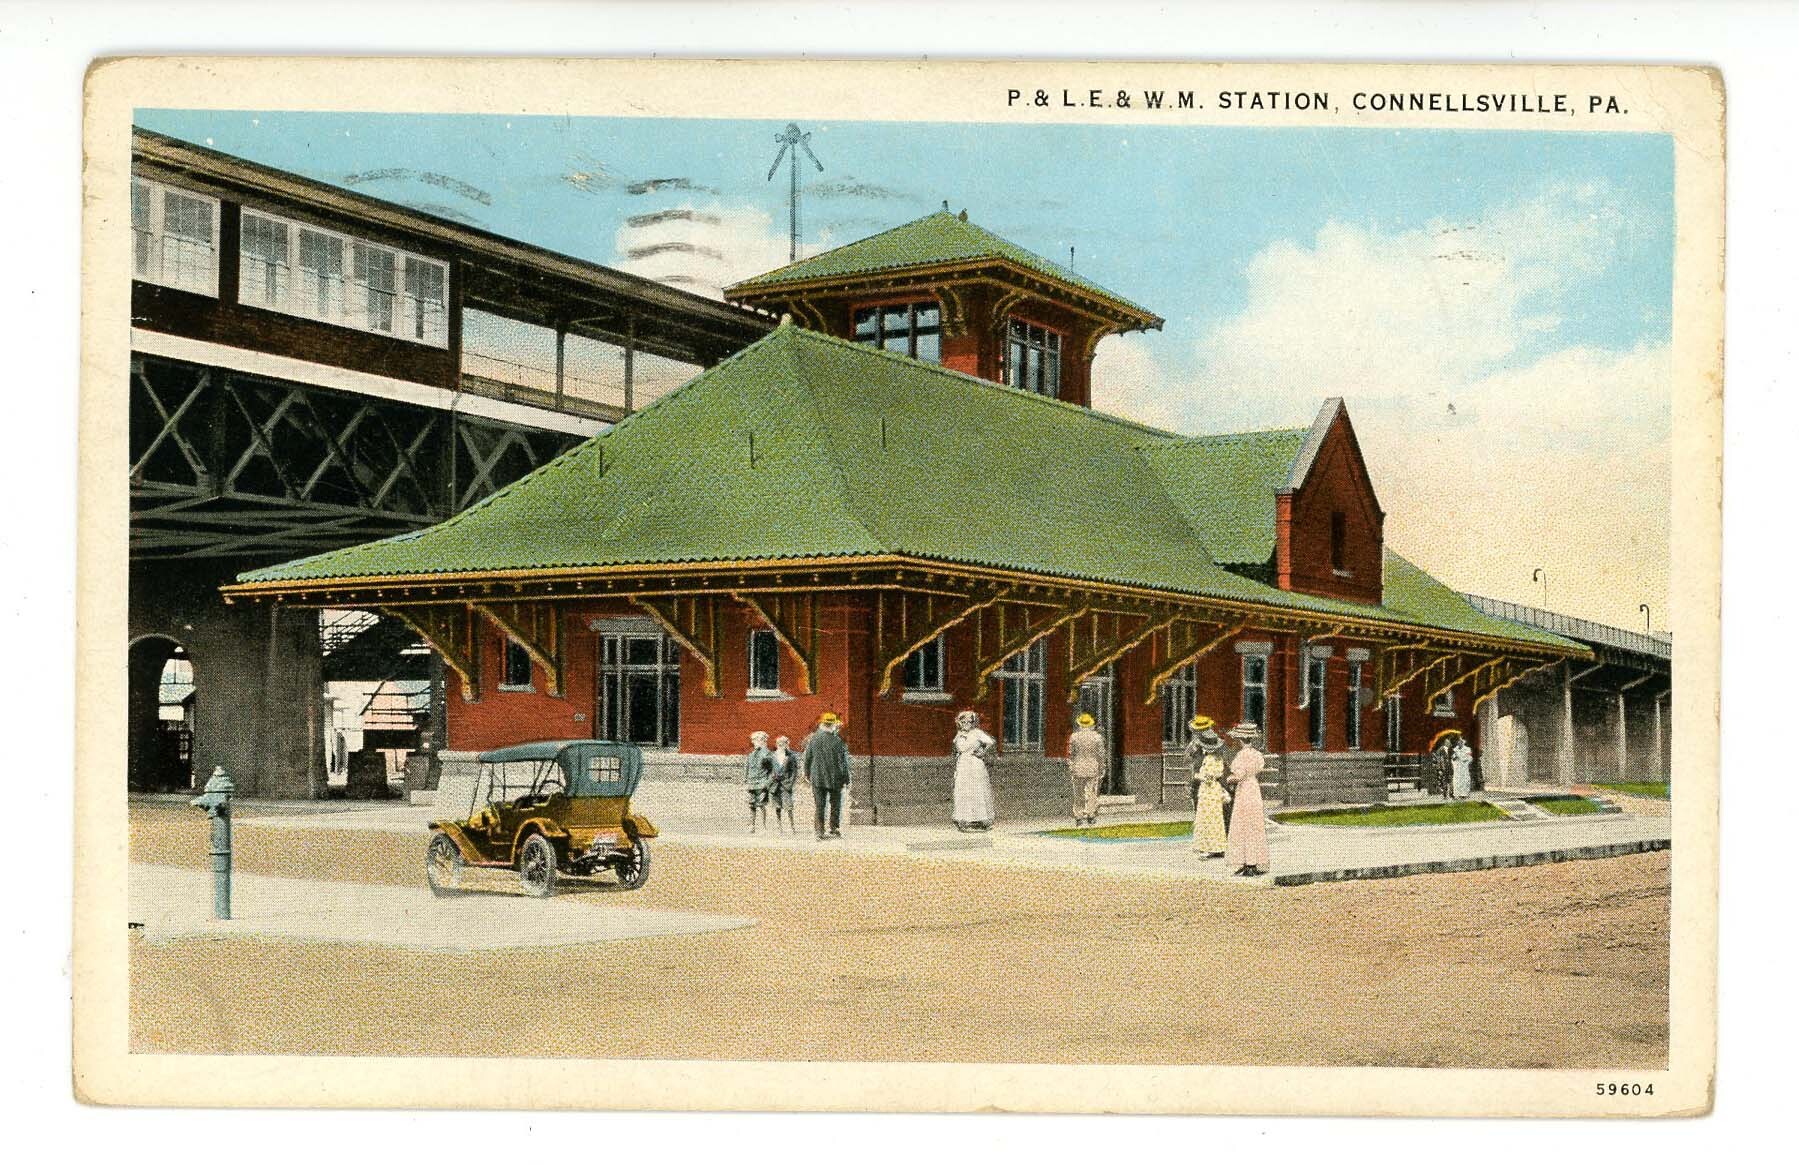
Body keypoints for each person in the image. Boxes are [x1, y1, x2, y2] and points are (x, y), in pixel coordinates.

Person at [1223, 722, 1270, 877]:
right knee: (1253, 824)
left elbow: (1239, 775)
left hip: (1244, 789)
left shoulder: (1242, 755)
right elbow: (1256, 769)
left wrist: (1230, 779)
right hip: (1253, 788)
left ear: (1241, 740)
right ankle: (1251, 861)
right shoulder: (1257, 754)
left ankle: (1248, 862)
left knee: (1244, 823)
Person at [802, 712, 851, 841]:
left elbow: (807, 759)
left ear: (822, 724)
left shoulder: (813, 739)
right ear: (832, 725)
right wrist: (847, 779)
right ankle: (834, 829)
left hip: (817, 778)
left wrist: (807, 774)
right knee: (835, 804)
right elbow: (843, 763)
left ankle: (819, 831)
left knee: (820, 805)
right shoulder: (837, 741)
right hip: (835, 778)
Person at [1185, 713, 1233, 836]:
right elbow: (1188, 762)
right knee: (1202, 810)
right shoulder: (1194, 746)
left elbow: (1226, 763)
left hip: (1217, 780)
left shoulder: (1215, 743)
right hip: (1200, 781)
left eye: (1197, 731)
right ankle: (1207, 838)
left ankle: (1221, 836)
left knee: (1220, 810)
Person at [951, 710, 998, 831]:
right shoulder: (958, 735)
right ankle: (964, 819)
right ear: (959, 722)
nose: (966, 723)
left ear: (973, 722)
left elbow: (990, 742)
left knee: (977, 790)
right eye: (963, 721)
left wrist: (983, 751)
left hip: (975, 764)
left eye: (969, 721)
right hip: (963, 764)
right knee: (963, 790)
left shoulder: (977, 733)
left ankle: (981, 819)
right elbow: (958, 749)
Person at [1067, 712, 1105, 826]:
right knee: (1091, 793)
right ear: (1091, 724)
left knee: (1078, 793)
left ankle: (1078, 816)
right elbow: (1101, 755)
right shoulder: (1097, 737)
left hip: (1078, 767)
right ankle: (1090, 814)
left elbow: (1071, 754)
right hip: (1092, 767)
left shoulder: (1074, 737)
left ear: (1080, 724)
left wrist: (1071, 765)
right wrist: (1102, 767)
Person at [743, 731, 773, 833]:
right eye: (753, 740)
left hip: (762, 782)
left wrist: (767, 783)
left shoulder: (767, 754)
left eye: (756, 740)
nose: (754, 742)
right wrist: (746, 780)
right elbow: (747, 768)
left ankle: (763, 826)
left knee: (761, 805)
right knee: (751, 805)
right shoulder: (751, 754)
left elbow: (771, 770)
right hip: (752, 783)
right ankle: (752, 826)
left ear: (763, 741)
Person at [769, 734, 800, 833]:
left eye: (784, 743)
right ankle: (779, 826)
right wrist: (770, 779)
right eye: (779, 743)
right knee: (777, 806)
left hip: (786, 784)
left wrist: (790, 783)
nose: (782, 745)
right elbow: (768, 769)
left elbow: (794, 771)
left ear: (787, 744)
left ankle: (792, 826)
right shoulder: (772, 756)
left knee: (789, 806)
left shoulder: (791, 756)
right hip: (775, 784)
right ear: (777, 744)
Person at [1451, 735, 1475, 800]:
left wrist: (1464, 759)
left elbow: (1470, 758)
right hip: (1457, 767)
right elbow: (1453, 758)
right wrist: (1454, 758)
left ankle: (1464, 794)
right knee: (1456, 781)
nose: (1459, 742)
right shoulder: (1455, 749)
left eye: (1460, 741)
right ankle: (1456, 794)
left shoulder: (1467, 749)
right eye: (1458, 741)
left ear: (1463, 742)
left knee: (1465, 780)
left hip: (1464, 767)